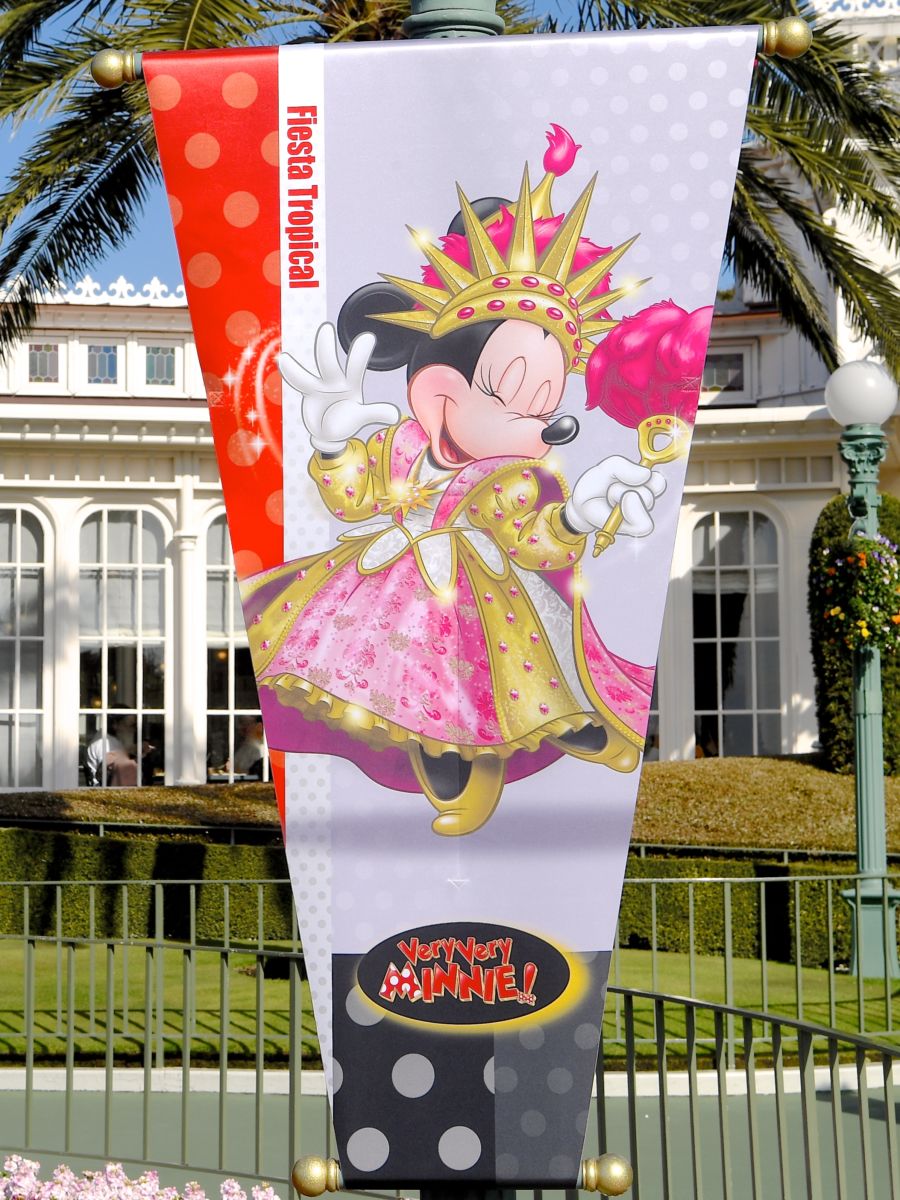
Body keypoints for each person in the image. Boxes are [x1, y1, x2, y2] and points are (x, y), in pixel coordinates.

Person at [240, 124, 709, 837]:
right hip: (388, 581)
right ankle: (456, 768)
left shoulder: (510, 480)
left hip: (484, 598)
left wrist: (577, 517)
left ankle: (567, 731)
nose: (533, 425)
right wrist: (332, 444)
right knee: (401, 678)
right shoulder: (399, 445)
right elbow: (352, 499)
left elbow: (534, 541)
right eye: (506, 394)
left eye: (543, 411)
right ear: (435, 390)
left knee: (512, 677)